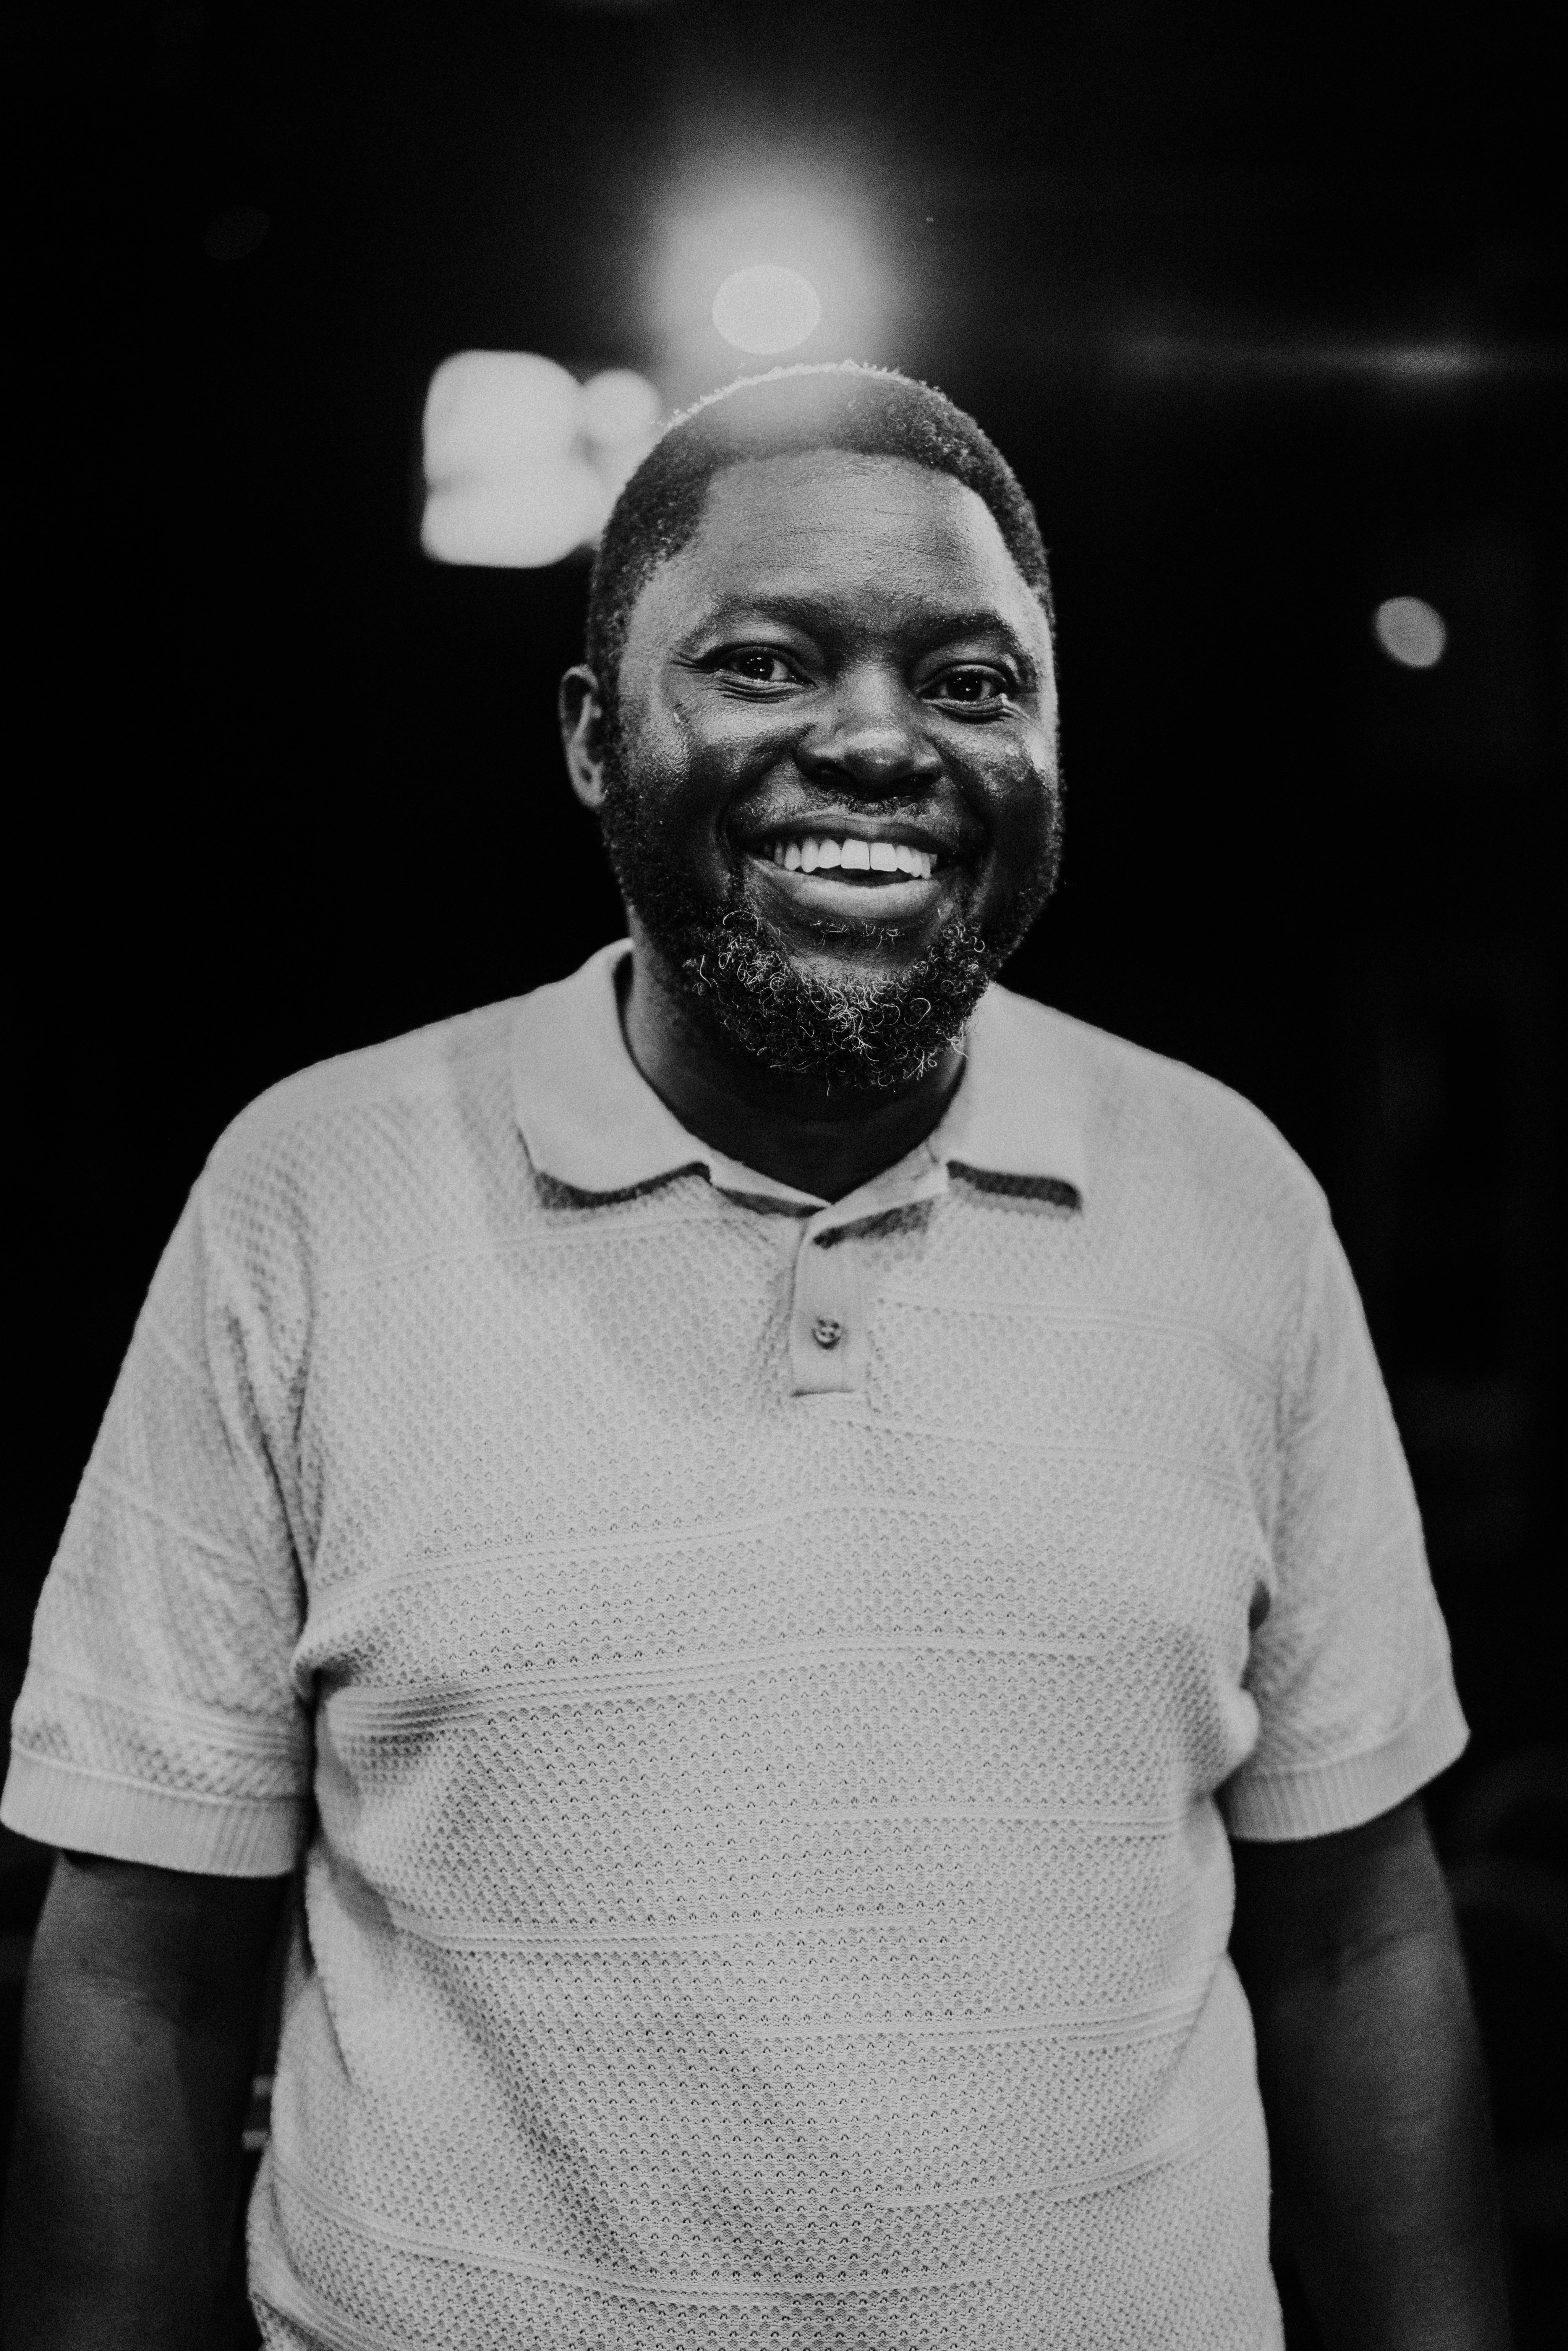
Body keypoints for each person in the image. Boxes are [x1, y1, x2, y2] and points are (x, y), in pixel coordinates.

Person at [1, 363, 1510, 2351]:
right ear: (591, 742)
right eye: (770, 662)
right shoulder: (317, 1194)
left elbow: (1352, 1934)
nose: (877, 741)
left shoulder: (1230, 1200)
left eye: (972, 682)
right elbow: (135, 1969)